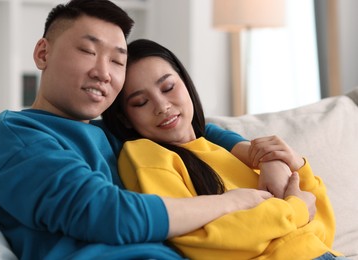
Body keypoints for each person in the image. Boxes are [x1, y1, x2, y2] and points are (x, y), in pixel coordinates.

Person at [0, 1, 285, 259]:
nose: (103, 73)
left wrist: (255, 152)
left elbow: (187, 130)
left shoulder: (112, 134)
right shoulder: (15, 134)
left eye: (117, 61)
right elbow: (108, 215)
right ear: (43, 54)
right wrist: (232, 201)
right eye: (88, 51)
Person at [102, 39, 344, 259]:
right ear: (125, 118)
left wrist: (296, 166)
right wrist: (296, 209)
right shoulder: (144, 154)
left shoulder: (222, 147)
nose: (162, 106)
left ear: (186, 83)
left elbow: (322, 231)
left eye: (168, 88)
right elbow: (203, 239)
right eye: (140, 102)